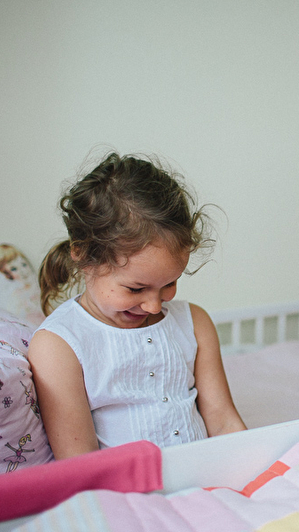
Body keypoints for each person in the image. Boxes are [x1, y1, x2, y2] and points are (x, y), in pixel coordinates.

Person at [28, 152, 246, 460]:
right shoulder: (59, 345)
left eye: (169, 283)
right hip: (123, 488)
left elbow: (223, 422)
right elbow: (80, 462)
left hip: (207, 476)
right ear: (84, 257)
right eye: (135, 288)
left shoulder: (195, 323)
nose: (154, 306)